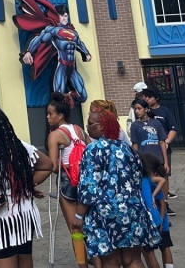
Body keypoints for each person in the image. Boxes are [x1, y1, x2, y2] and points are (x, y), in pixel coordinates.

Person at [73, 107, 160, 267]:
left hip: (105, 215)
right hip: (132, 211)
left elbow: (89, 187)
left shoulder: (92, 150)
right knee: (133, 259)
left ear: (101, 126)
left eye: (90, 123)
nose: (87, 127)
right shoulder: (127, 149)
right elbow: (137, 179)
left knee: (111, 261)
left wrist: (79, 216)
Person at [0, 107, 53, 268]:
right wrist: (25, 185)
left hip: (0, 220)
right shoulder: (22, 147)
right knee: (24, 258)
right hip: (24, 216)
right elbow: (47, 165)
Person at [46, 93, 89, 268]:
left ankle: (83, 265)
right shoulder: (79, 129)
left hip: (68, 181)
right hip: (85, 179)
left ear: (60, 115)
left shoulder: (55, 135)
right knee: (89, 225)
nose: (48, 117)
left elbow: (54, 166)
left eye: (50, 114)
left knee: (75, 229)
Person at [140, 89, 177, 208]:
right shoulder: (143, 111)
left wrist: (167, 142)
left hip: (162, 148)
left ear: (156, 98)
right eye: (145, 97)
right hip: (147, 149)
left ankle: (164, 201)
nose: (147, 99)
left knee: (163, 174)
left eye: (149, 97)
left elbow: (173, 128)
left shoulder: (164, 111)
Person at [139, 155, 173, 268]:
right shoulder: (150, 181)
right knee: (165, 247)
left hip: (155, 220)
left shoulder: (149, 183)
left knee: (149, 252)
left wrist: (162, 221)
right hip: (160, 221)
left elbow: (162, 204)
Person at [129, 99, 168, 172]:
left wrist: (166, 162)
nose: (137, 111)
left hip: (158, 158)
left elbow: (162, 142)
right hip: (144, 159)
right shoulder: (135, 125)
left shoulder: (156, 123)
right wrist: (137, 161)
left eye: (139, 108)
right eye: (135, 109)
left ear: (146, 109)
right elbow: (135, 145)